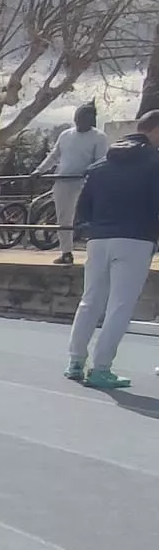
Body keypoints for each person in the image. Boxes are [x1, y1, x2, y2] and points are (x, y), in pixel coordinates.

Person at [64, 109, 159, 389]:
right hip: (136, 238)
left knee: (90, 300)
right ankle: (101, 367)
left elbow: (83, 207)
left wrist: (92, 229)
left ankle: (75, 361)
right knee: (120, 305)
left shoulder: (101, 165)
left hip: (99, 238)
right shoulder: (155, 162)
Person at [33, 102, 109, 265]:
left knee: (89, 218)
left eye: (83, 119)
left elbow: (100, 161)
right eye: (77, 118)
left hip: (85, 183)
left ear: (91, 120)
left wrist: (88, 174)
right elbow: (54, 155)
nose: (79, 122)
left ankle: (97, 254)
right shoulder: (66, 135)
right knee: (63, 217)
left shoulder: (99, 137)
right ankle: (66, 252)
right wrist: (39, 170)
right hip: (63, 181)